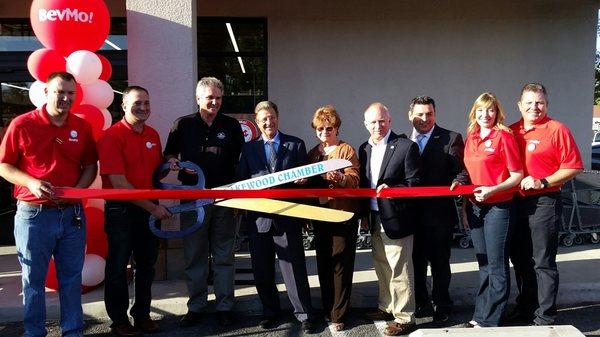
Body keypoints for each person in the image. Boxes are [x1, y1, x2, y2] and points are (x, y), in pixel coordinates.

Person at [0, 72, 98, 337]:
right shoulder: (22, 124)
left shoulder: (82, 126)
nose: (66, 98)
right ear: (46, 92)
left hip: (72, 215)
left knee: (71, 279)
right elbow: (4, 166)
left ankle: (73, 331)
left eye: (70, 93)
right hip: (34, 215)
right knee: (33, 280)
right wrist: (31, 182)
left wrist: (78, 191)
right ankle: (34, 332)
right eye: (60, 92)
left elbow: (90, 166)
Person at [164, 77, 245, 327]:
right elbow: (169, 154)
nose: (214, 102)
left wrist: (238, 199)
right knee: (195, 255)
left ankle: (225, 306)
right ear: (198, 98)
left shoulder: (231, 125)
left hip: (225, 199)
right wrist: (172, 162)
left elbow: (241, 162)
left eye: (218, 98)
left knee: (224, 256)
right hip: (193, 201)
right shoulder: (183, 124)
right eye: (209, 97)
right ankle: (196, 306)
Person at [97, 86, 171, 336]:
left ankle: (142, 315)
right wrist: (153, 207)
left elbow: (157, 170)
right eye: (137, 103)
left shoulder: (152, 133)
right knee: (117, 267)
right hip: (122, 210)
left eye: (147, 103)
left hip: (148, 210)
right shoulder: (111, 136)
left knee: (147, 265)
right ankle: (118, 321)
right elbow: (119, 183)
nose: (143, 108)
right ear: (124, 106)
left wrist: (171, 165)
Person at [507, 83, 583, 326]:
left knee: (543, 261)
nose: (534, 107)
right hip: (514, 203)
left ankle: (545, 315)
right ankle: (526, 307)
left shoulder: (557, 129)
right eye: (528, 103)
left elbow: (573, 166)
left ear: (546, 105)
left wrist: (543, 181)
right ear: (519, 105)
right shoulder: (510, 131)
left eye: (539, 102)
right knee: (520, 260)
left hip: (544, 202)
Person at [237, 100, 316, 333]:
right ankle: (270, 312)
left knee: (294, 269)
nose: (268, 122)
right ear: (257, 122)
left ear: (278, 117)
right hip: (259, 218)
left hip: (288, 216)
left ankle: (304, 313)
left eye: (271, 117)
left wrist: (304, 182)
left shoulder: (296, 145)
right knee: (262, 269)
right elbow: (242, 181)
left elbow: (307, 181)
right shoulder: (248, 149)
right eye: (263, 119)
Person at [461, 92, 523, 327]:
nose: (485, 115)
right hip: (476, 207)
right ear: (474, 113)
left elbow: (517, 176)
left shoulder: (503, 137)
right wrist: (466, 206)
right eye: (480, 110)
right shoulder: (472, 137)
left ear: (497, 112)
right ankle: (480, 315)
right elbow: (470, 176)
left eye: (490, 110)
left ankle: (491, 319)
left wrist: (492, 190)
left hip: (499, 206)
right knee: (484, 263)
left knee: (497, 264)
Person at [359, 102, 420, 336]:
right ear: (366, 124)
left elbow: (415, 182)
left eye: (382, 121)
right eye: (373, 122)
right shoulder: (363, 148)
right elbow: (365, 185)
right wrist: (364, 215)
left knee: (400, 269)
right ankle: (386, 307)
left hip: (397, 218)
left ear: (390, 121)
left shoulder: (406, 146)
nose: (378, 126)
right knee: (381, 264)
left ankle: (405, 317)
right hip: (374, 216)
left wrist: (393, 188)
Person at [407, 96, 469, 323]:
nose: (425, 119)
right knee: (416, 262)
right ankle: (421, 303)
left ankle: (442, 303)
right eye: (420, 114)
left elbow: (462, 171)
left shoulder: (450, 138)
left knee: (440, 263)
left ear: (435, 114)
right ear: (410, 115)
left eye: (429, 114)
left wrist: (459, 182)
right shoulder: (403, 141)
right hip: (411, 215)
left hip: (439, 215)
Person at [306, 105, 360, 331]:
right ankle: (327, 308)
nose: (324, 132)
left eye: (329, 128)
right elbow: (307, 183)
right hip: (319, 215)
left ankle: (339, 313)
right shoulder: (312, 153)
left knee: (341, 265)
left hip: (342, 215)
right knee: (323, 263)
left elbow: (355, 179)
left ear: (337, 128)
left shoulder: (346, 150)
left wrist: (339, 177)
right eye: (320, 128)